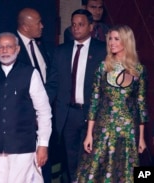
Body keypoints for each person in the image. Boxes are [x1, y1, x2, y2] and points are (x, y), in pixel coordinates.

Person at [0, 32, 52, 183]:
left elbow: (44, 112)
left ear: (18, 49)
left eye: (8, 46)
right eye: (0, 47)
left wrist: (43, 144)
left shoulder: (30, 73)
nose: (4, 50)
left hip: (22, 148)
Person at [77, 25, 148, 183]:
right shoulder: (102, 68)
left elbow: (141, 105)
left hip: (128, 131)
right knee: (96, 171)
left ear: (126, 42)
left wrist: (142, 138)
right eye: (110, 38)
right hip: (104, 129)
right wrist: (89, 134)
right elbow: (94, 101)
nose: (111, 42)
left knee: (127, 172)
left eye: (116, 39)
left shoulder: (139, 70)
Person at [46, 9, 106, 183]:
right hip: (68, 115)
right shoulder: (61, 52)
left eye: (81, 24)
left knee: (92, 159)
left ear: (91, 27)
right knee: (71, 161)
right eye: (73, 24)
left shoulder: (102, 50)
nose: (76, 28)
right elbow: (52, 84)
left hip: (93, 114)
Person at [16, 7, 53, 182]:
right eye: (38, 22)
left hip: (44, 114)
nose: (42, 26)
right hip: (25, 120)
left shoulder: (39, 44)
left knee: (43, 163)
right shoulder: (13, 48)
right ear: (25, 26)